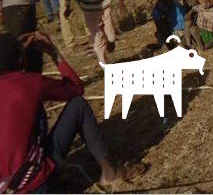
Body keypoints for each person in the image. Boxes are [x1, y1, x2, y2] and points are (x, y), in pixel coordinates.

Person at [0, 31, 144, 192]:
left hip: (5, 187)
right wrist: (54, 52)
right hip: (33, 183)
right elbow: (76, 88)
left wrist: (12, 48)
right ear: (21, 59)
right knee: (78, 105)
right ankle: (110, 173)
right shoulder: (28, 83)